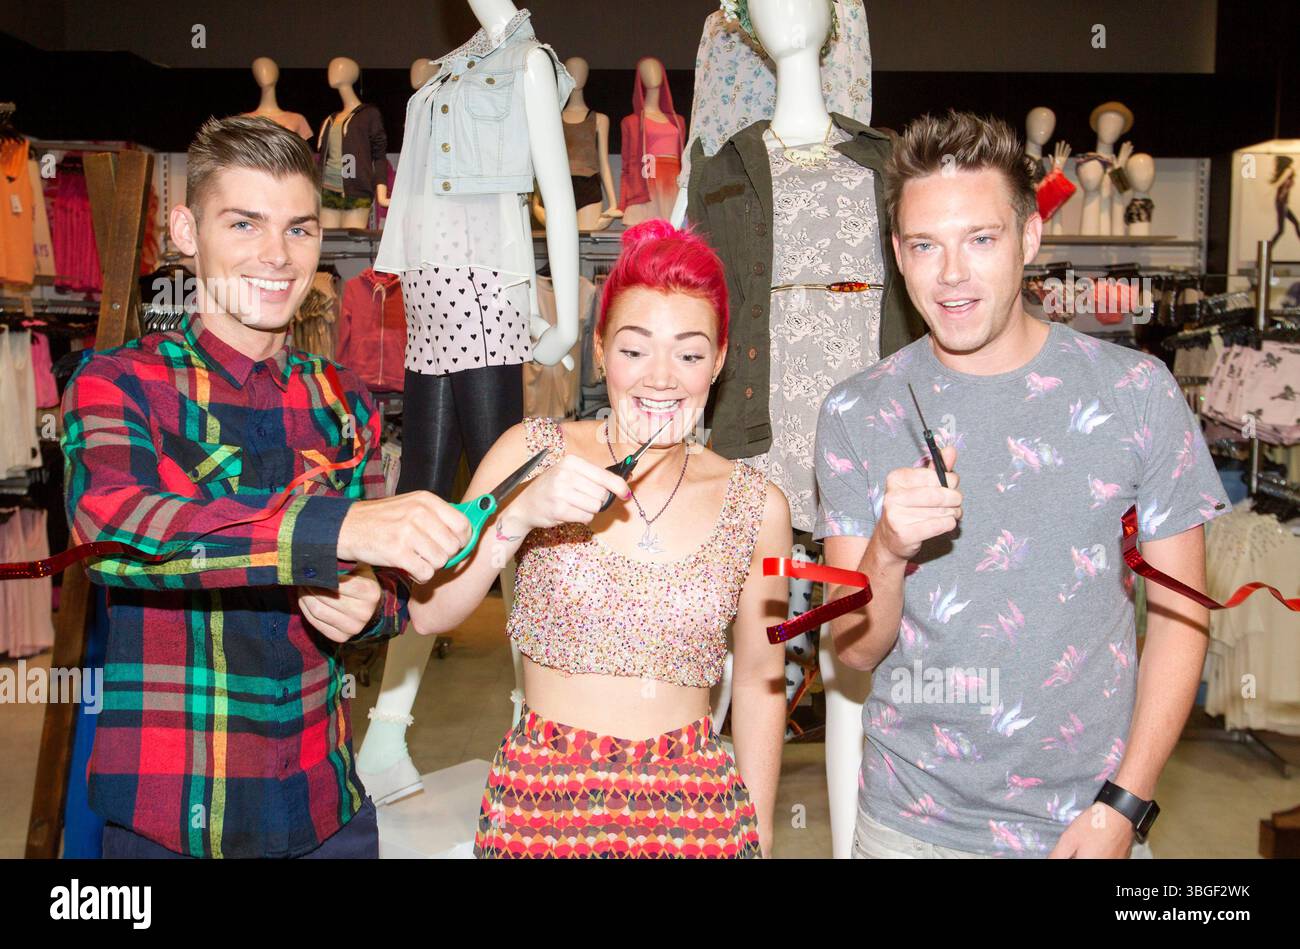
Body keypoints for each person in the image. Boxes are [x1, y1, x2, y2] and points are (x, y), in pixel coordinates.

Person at [814, 110, 1229, 858]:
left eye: (981, 238)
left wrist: (1125, 805)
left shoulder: (1134, 390)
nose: (951, 274)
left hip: (1087, 824)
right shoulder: (857, 410)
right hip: (912, 827)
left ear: (1029, 238)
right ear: (898, 256)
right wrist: (885, 546)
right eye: (924, 245)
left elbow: (1181, 615)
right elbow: (854, 650)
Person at [62, 115, 471, 858]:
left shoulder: (345, 402)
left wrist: (369, 604)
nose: (277, 257)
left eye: (300, 229)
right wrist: (334, 532)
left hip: (328, 809)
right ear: (187, 230)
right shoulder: (119, 383)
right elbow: (115, 532)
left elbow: (390, 598)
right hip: (176, 816)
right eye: (244, 223)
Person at [406, 220, 790, 858]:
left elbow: (756, 679)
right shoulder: (530, 452)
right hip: (541, 802)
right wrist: (518, 516)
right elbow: (428, 611)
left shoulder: (756, 504)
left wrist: (762, 834)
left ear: (719, 361)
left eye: (690, 354)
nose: (660, 378)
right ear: (600, 348)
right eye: (635, 350)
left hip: (695, 810)